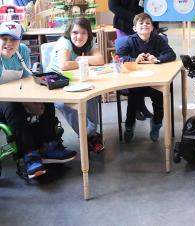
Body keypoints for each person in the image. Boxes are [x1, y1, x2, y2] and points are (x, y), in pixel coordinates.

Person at [0, 21, 76, 179]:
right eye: (4, 38)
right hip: (5, 103)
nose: (8, 43)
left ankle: (50, 145)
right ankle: (30, 156)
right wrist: (27, 103)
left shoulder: (23, 51)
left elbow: (28, 80)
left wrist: (34, 99)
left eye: (13, 39)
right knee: (12, 106)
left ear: (20, 40)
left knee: (46, 97)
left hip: (17, 97)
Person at [108, 0, 153, 121]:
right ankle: (136, 106)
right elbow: (112, 5)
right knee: (131, 66)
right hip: (126, 28)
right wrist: (135, 18)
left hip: (144, 28)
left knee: (143, 64)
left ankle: (139, 104)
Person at [116, 13, 176, 142]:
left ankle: (156, 125)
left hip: (155, 81)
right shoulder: (130, 40)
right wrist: (133, 59)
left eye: (148, 23)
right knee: (132, 103)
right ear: (134, 28)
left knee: (159, 101)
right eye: (141, 23)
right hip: (136, 82)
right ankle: (129, 126)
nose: (145, 25)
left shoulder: (159, 40)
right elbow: (119, 56)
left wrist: (157, 59)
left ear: (152, 27)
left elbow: (171, 54)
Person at [48, 18, 105, 153]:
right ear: (69, 33)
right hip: (57, 80)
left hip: (75, 79)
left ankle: (90, 135)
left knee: (91, 94)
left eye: (84, 33)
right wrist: (84, 61)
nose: (79, 36)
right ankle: (90, 136)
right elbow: (64, 65)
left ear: (88, 34)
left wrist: (82, 59)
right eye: (75, 32)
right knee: (63, 104)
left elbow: (100, 60)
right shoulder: (64, 42)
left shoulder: (90, 41)